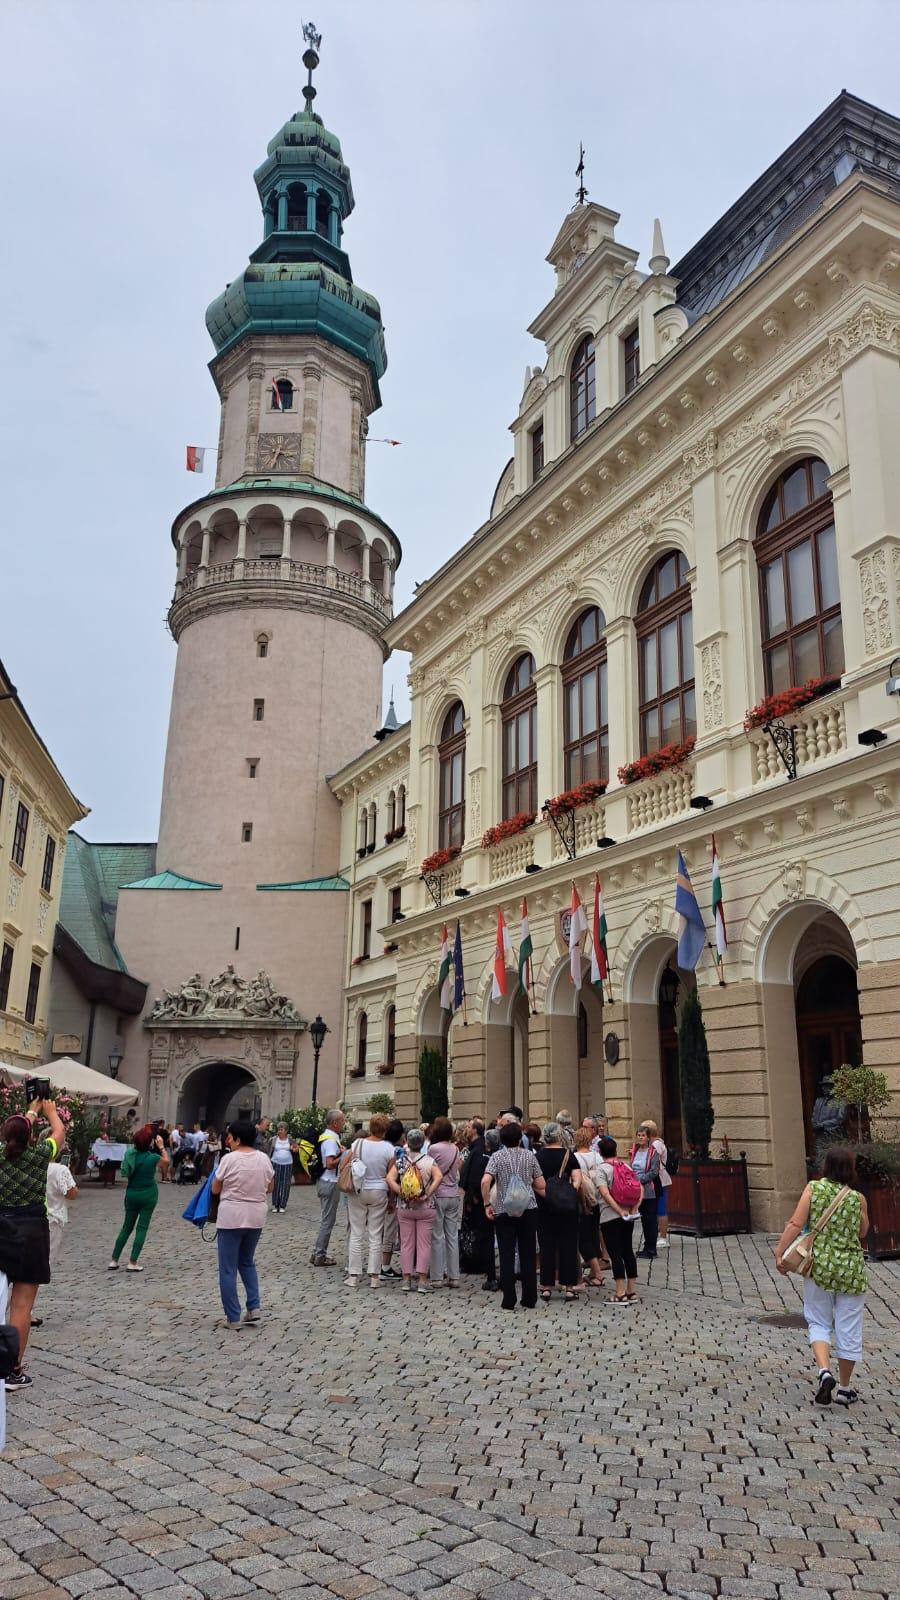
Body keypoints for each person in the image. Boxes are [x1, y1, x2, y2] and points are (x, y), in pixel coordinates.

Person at [774, 1145, 869, 1406]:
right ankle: (845, 1389)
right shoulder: (857, 1198)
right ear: (850, 1170)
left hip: (820, 1267)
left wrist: (780, 1252)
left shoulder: (813, 1189)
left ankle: (824, 1371)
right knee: (849, 1327)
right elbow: (862, 1232)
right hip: (851, 1269)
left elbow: (795, 1223)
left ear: (826, 1166)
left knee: (818, 1321)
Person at [0, 1096, 66, 1390]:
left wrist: (30, 1111)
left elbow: (15, 1134)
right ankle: (13, 1370)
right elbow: (59, 1133)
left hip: (2, 1228)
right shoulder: (40, 1156)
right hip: (31, 1233)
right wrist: (49, 1111)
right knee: (21, 1307)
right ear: (29, 1137)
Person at [211, 1121, 274, 1329]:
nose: (228, 1140)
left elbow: (215, 1188)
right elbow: (270, 1187)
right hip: (256, 1216)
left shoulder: (229, 1159)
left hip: (231, 1216)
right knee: (246, 1262)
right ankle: (254, 1307)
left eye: (230, 1137)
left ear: (237, 1139)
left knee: (228, 1268)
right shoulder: (263, 1158)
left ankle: (233, 1316)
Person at [482, 1121, 545, 1311]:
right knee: (528, 1253)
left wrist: (487, 1203)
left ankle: (509, 1299)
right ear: (519, 1139)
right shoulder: (529, 1156)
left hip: (504, 1208)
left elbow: (485, 1181)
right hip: (528, 1208)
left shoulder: (496, 1157)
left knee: (506, 1254)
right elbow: (541, 1184)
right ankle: (530, 1297)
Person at [387, 1129, 442, 1292]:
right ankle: (423, 1281)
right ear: (423, 1142)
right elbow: (439, 1177)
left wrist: (401, 1192)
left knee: (406, 1244)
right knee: (424, 1244)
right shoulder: (429, 1161)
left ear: (408, 1143)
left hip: (405, 1207)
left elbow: (389, 1178)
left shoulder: (401, 1161)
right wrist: (428, 1194)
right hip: (425, 1207)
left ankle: (406, 1280)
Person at [108, 1125, 169, 1272]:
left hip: (132, 1194)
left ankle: (114, 1260)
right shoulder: (152, 1158)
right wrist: (161, 1147)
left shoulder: (130, 1155)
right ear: (149, 1143)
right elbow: (166, 1162)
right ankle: (132, 1262)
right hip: (148, 1194)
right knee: (142, 1228)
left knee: (126, 1227)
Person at [345, 1113, 395, 1288]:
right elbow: (391, 1175)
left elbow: (347, 1164)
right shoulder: (389, 1148)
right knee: (376, 1234)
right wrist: (391, 1199)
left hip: (359, 1189)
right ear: (385, 1130)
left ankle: (353, 1275)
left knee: (356, 1232)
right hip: (379, 1190)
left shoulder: (358, 1143)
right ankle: (374, 1276)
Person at [535, 1122, 582, 1301]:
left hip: (545, 1207)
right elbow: (577, 1180)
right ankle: (569, 1288)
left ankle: (546, 1287)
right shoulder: (569, 1155)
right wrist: (566, 1194)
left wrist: (549, 1195)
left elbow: (534, 1183)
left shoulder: (538, 1156)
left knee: (546, 1245)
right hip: (567, 1207)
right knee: (568, 1245)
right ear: (559, 1136)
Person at [597, 1135, 639, 1304]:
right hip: (629, 1216)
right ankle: (631, 1291)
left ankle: (620, 1293)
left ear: (600, 1152)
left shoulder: (602, 1169)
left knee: (615, 1253)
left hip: (610, 1216)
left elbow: (604, 1193)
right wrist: (633, 1208)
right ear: (615, 1150)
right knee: (627, 1250)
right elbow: (640, 1189)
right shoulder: (625, 1166)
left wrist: (618, 1210)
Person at [459, 1125, 499, 1289]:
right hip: (503, 1201)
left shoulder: (481, 1155)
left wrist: (477, 1198)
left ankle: (488, 1272)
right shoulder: (495, 1155)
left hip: (484, 1201)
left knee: (485, 1236)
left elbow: (477, 1180)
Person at [428, 1116, 461, 1287]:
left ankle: (437, 1276)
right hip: (453, 1194)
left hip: (438, 1194)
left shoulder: (433, 1148)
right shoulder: (455, 1148)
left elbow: (428, 1169)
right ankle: (454, 1276)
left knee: (437, 1236)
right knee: (452, 1236)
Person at [310, 1108, 345, 1267]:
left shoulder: (326, 1136)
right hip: (329, 1182)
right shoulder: (330, 1140)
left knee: (326, 1219)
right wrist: (344, 1156)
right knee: (328, 1221)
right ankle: (320, 1255)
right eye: (342, 1120)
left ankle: (317, 1252)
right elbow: (330, 1163)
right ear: (335, 1123)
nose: (344, 1123)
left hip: (325, 1180)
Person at [573, 1127, 605, 1287]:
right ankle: (593, 1272)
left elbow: (577, 1183)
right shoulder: (597, 1156)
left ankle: (598, 1274)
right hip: (597, 1200)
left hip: (583, 1202)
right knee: (593, 1235)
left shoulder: (575, 1158)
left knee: (583, 1239)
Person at [639, 1118, 672, 1248]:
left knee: (660, 1208)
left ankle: (663, 1237)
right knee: (653, 1209)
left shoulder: (656, 1145)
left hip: (660, 1180)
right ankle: (655, 1235)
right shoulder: (652, 1144)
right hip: (654, 1180)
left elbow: (651, 1161)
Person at [380, 1118, 406, 1280]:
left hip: (377, 1191)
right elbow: (401, 1174)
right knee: (390, 1230)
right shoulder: (398, 1151)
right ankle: (385, 1266)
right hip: (392, 1193)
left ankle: (376, 1264)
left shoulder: (380, 1146)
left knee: (378, 1229)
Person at [630, 1126, 661, 1259]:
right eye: (639, 1135)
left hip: (648, 1191)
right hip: (636, 1191)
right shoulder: (635, 1150)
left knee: (650, 1220)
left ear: (648, 1138)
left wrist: (639, 1179)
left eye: (643, 1135)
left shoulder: (653, 1153)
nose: (640, 1138)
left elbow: (654, 1172)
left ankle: (651, 1249)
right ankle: (646, 1247)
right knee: (643, 1220)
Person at [46, 1150, 78, 1270]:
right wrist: (67, 1175)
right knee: (47, 1259)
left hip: (28, 1216)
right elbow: (72, 1194)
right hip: (52, 1217)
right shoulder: (60, 1170)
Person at [270, 1123, 296, 1213]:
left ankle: (282, 1205)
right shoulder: (274, 1139)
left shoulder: (290, 1139)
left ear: (286, 1131)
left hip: (287, 1164)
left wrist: (294, 1149)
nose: (279, 1131)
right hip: (275, 1163)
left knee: (285, 1184)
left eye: (281, 1130)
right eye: (279, 1130)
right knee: (275, 1184)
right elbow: (268, 1149)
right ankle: (275, 1204)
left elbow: (297, 1148)